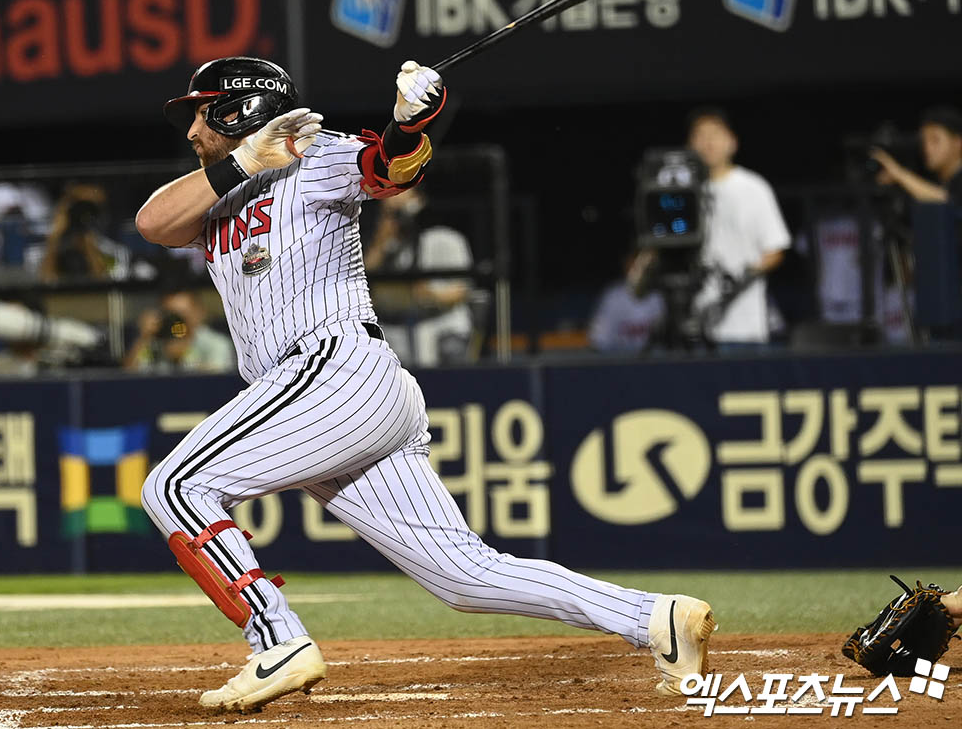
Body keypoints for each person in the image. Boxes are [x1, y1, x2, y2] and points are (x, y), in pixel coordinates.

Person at [134, 56, 715, 713]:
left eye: (204, 112)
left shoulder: (313, 151)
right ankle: (656, 617)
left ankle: (278, 637)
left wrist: (413, 119)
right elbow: (154, 223)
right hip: (335, 393)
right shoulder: (221, 186)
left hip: (335, 369)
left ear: (240, 108)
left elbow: (389, 167)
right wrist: (244, 163)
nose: (192, 129)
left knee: (177, 485)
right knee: (464, 575)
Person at [687, 107, 791, 347]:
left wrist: (740, 279)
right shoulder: (683, 193)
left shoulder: (753, 187)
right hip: (693, 324)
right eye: (700, 135)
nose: (708, 142)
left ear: (732, 142)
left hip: (745, 326)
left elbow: (775, 251)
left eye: (715, 134)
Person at [363, 186, 474, 365]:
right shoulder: (380, 246)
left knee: (451, 350)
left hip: (441, 323)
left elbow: (461, 291)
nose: (394, 200)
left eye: (400, 192)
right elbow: (362, 283)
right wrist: (382, 240)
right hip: (394, 327)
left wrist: (428, 294)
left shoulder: (446, 239)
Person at [122, 289, 235, 374]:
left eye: (183, 314)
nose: (178, 321)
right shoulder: (156, 343)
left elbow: (218, 383)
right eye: (172, 315)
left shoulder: (217, 344)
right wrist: (144, 336)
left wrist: (183, 354)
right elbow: (128, 381)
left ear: (200, 313)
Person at [870, 105, 962, 206]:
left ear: (957, 143)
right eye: (924, 142)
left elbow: (948, 202)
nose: (927, 149)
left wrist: (899, 174)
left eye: (935, 140)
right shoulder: (941, 180)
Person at [588, 250, 666, 353]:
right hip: (619, 361)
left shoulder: (657, 298)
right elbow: (599, 342)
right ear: (627, 267)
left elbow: (662, 343)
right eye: (635, 267)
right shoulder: (613, 298)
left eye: (645, 268)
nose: (640, 273)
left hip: (650, 362)